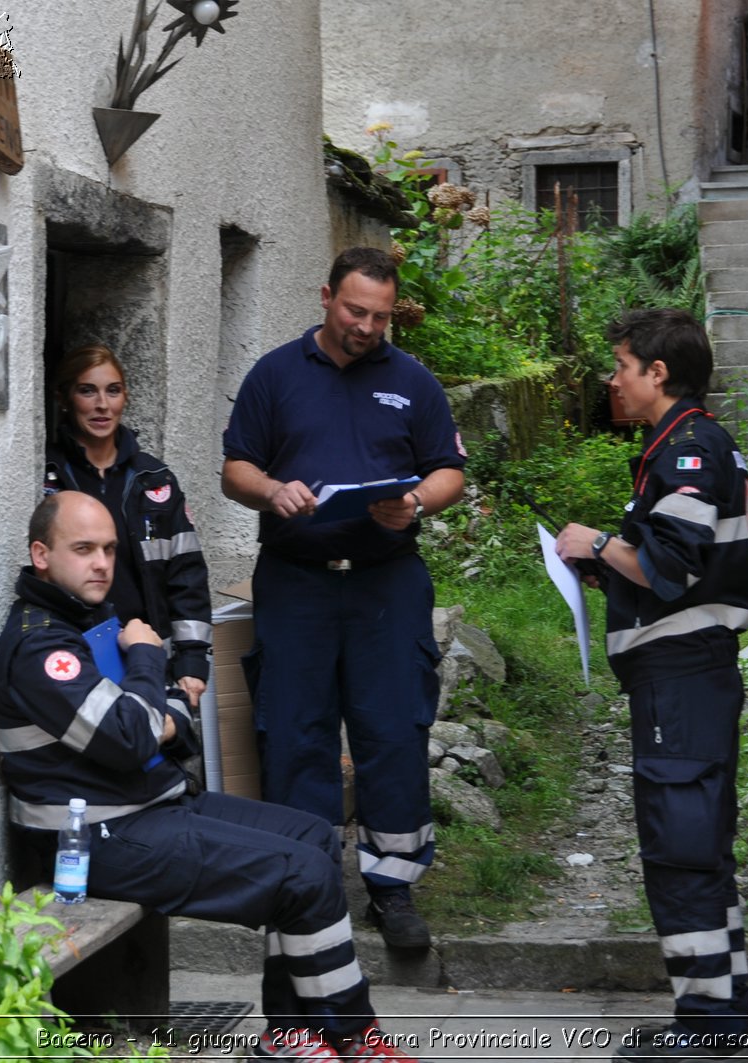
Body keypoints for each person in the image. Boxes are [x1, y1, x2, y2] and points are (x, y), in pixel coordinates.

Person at [0, 491, 428, 1063]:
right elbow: (130, 736)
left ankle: (290, 1037)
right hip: (92, 840)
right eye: (84, 549)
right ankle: (353, 1039)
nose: (101, 563)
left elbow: (171, 721)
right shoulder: (44, 645)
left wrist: (156, 715)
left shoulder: (86, 618)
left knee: (314, 837)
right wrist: (148, 666)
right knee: (302, 875)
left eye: (108, 549)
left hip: (146, 807)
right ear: (41, 554)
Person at [220, 247, 467, 950]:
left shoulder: (413, 381)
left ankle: (393, 890)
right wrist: (272, 490)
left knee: (392, 730)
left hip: (384, 581)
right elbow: (235, 467)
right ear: (326, 295)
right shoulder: (274, 374)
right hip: (295, 582)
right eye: (355, 310)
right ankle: (310, 884)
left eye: (380, 317)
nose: (366, 327)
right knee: (295, 732)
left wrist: (415, 500)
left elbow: (449, 470)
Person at [554, 309, 748, 1062]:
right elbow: (674, 556)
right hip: (685, 674)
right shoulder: (682, 445)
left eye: (621, 364)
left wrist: (599, 543)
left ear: (658, 373)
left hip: (683, 676)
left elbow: (668, 568)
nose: (614, 378)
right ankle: (718, 1022)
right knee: (699, 848)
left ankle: (710, 1034)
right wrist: (602, 561)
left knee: (681, 849)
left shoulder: (689, 448)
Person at [44, 343, 211, 705]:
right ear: (64, 398)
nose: (102, 404)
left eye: (113, 390)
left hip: (149, 654)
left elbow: (187, 576)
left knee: (157, 747)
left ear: (125, 397)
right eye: (87, 390)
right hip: (75, 652)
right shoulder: (47, 476)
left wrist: (192, 660)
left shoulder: (155, 480)